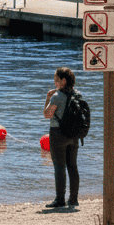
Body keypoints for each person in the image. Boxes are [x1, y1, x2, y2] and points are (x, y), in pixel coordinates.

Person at [44, 66, 80, 208]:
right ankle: (73, 199)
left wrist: (48, 97)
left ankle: (59, 200)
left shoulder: (57, 96)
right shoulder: (77, 94)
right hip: (74, 134)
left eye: (56, 80)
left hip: (58, 134)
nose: (54, 82)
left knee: (59, 167)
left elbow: (47, 115)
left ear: (63, 81)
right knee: (73, 166)